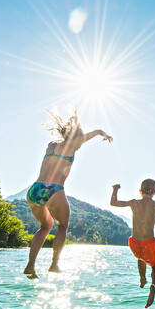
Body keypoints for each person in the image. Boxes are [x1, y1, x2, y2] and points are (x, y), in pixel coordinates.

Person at [23, 110, 113, 279]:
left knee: (45, 227)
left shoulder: (51, 145)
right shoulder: (73, 145)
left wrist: (74, 121)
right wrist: (106, 135)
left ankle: (30, 266)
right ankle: (54, 264)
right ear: (77, 135)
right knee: (62, 227)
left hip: (34, 189)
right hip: (53, 190)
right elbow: (95, 132)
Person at [110, 179, 155, 308]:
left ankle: (142, 278)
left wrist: (115, 189)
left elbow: (113, 202)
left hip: (135, 243)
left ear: (140, 191)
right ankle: (153, 285)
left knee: (140, 256)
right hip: (149, 242)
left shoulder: (134, 203)